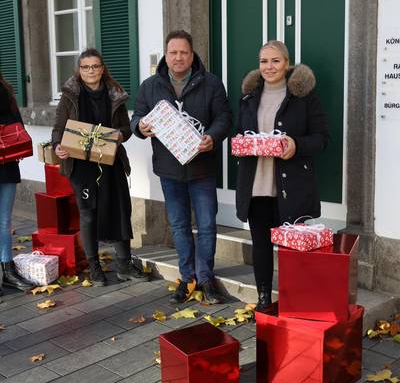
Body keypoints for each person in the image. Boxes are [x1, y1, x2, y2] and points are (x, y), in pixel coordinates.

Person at [131, 30, 232, 304]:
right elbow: (137, 116)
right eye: (173, 52)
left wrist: (213, 136)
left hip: (202, 168)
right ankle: (187, 279)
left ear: (192, 54)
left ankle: (206, 279)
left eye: (183, 52)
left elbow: (224, 117)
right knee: (179, 226)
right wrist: (139, 127)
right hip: (169, 170)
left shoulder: (211, 84)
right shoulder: (150, 86)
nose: (178, 57)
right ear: (166, 55)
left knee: (208, 225)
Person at [235, 41, 329, 310]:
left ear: (287, 63)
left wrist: (296, 145)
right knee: (261, 246)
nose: (269, 67)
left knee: (292, 250)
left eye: (275, 61)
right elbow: (244, 132)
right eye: (264, 61)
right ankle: (264, 299)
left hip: (293, 187)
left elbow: (322, 138)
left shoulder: (304, 96)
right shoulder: (249, 97)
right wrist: (243, 142)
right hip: (256, 186)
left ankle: (294, 301)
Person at [52, 48, 146, 286]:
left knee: (119, 210)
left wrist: (119, 136)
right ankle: (95, 267)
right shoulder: (70, 95)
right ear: (79, 70)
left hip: (110, 161)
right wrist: (57, 147)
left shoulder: (115, 94)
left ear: (102, 69)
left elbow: (126, 128)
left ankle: (124, 265)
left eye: (95, 66)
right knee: (88, 213)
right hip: (81, 165)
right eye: (85, 67)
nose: (90, 71)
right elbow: (58, 129)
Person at [0, 73, 34, 294]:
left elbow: (17, 123)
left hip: (6, 163)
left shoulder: (5, 89)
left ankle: (8, 269)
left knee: (4, 221)